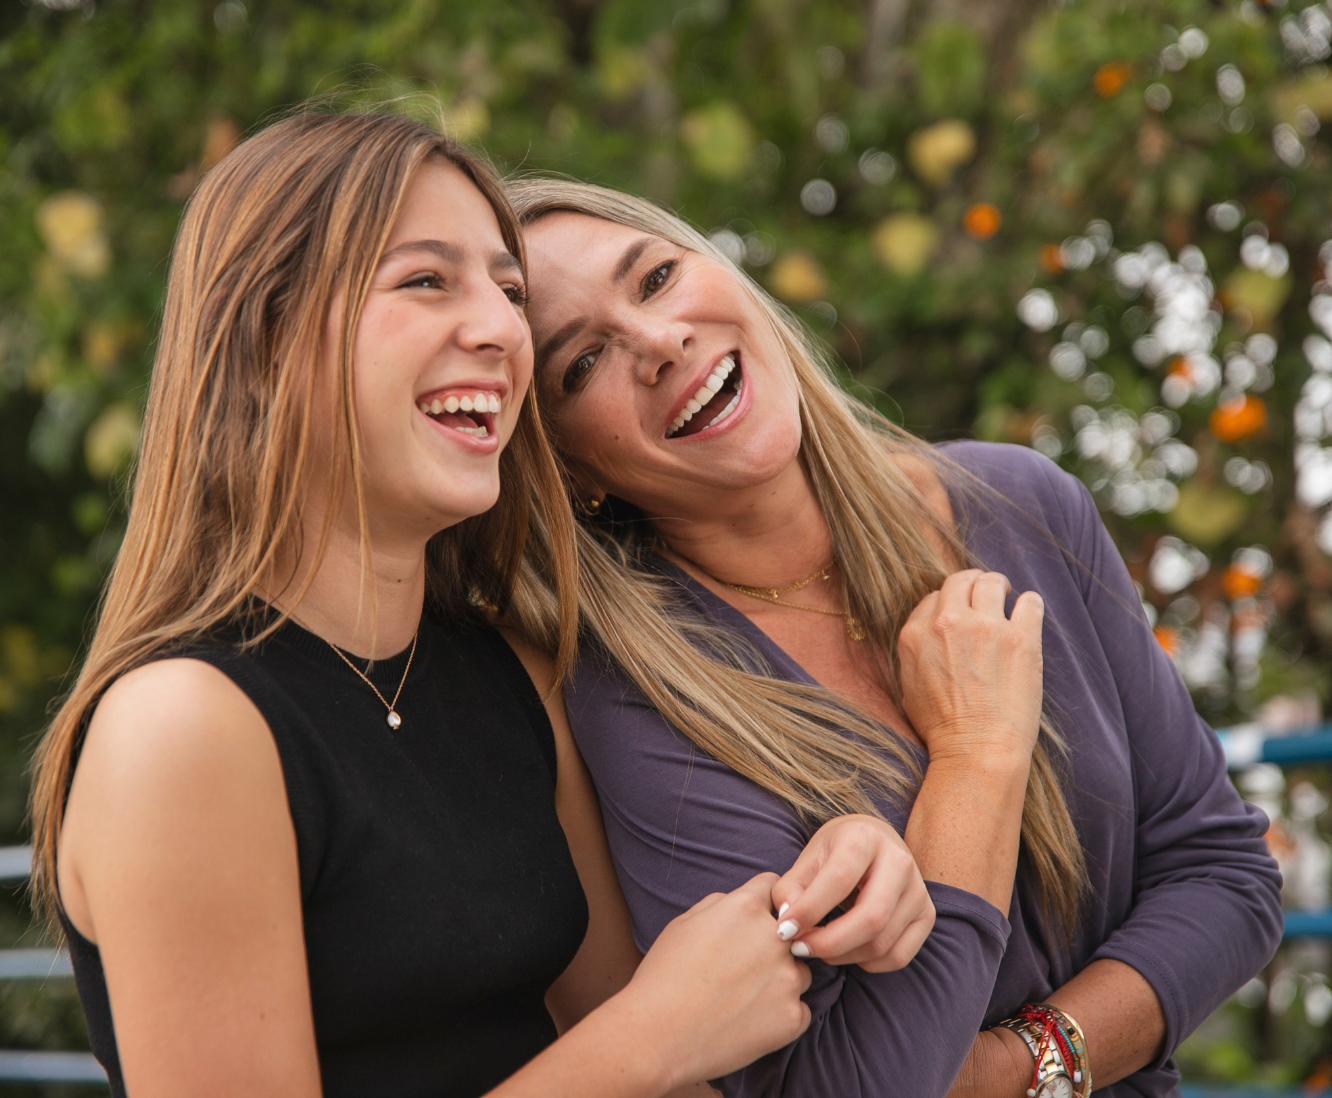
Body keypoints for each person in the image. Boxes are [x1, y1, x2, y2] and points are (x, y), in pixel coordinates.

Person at [26, 111, 937, 1098]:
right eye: (426, 281)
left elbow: (678, 1044)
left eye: (508, 293)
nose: (503, 329)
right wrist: (650, 1040)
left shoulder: (516, 675)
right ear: (269, 337)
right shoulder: (184, 730)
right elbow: (653, 1037)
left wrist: (837, 863)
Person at [506, 176, 1285, 1098]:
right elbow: (837, 1086)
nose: (660, 340)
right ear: (571, 467)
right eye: (581, 364)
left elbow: (1226, 872)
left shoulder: (1022, 503)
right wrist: (975, 758)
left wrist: (1019, 1067)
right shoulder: (633, 694)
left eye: (657, 278)